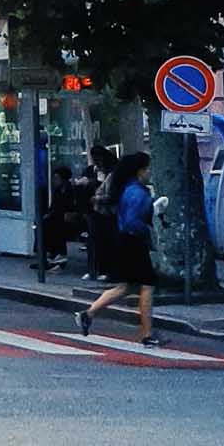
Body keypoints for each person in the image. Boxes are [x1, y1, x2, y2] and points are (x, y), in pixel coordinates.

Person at [76, 152, 164, 346]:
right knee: (147, 285)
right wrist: (149, 228)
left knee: (125, 287)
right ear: (140, 171)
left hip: (123, 241)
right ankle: (148, 334)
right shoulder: (137, 192)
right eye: (147, 168)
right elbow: (133, 221)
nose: (149, 172)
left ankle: (88, 313)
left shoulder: (127, 189)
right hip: (133, 242)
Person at [79, 146, 117, 282]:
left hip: (106, 211)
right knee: (94, 240)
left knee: (104, 241)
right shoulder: (92, 170)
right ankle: (94, 269)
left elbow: (111, 193)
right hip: (94, 209)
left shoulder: (111, 172)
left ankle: (104, 269)